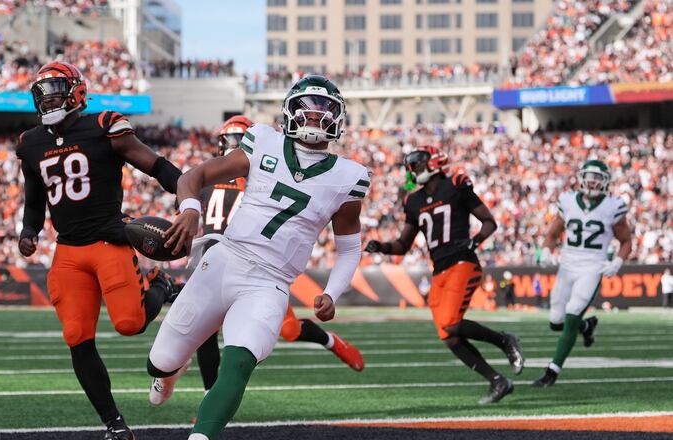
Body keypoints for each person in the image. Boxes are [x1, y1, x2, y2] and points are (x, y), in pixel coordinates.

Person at [148, 76, 369, 440]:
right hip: (224, 260)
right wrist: (189, 209)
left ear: (338, 118)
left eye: (324, 109)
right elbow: (195, 175)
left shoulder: (349, 177)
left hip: (270, 282)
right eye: (307, 108)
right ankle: (168, 373)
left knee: (239, 360)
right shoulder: (263, 140)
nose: (314, 116)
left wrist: (333, 291)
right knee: (158, 362)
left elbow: (348, 246)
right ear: (290, 111)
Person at [16, 61, 183, 440]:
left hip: (110, 239)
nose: (49, 98)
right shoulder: (31, 144)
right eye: (42, 92)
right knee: (76, 335)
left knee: (130, 324)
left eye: (56, 89)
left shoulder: (105, 125)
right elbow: (34, 198)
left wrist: (184, 191)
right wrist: (29, 231)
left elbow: (154, 164)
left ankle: (161, 283)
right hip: (69, 252)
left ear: (76, 91)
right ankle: (115, 425)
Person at [364, 146, 524, 405]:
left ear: (434, 162)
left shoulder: (456, 184)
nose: (413, 167)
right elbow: (403, 246)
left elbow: (489, 222)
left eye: (418, 162)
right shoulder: (413, 201)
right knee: (448, 336)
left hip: (463, 262)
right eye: (411, 164)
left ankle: (505, 339)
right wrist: (381, 246)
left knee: (451, 323)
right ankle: (497, 381)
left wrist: (476, 241)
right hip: (439, 271)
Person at [535, 159, 633, 387]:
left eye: (598, 177)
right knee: (556, 321)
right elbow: (551, 234)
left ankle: (552, 371)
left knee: (571, 315)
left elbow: (626, 240)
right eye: (590, 176)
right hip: (567, 266)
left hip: (592, 267)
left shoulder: (613, 205)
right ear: (580, 177)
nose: (593, 181)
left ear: (606, 182)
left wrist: (617, 261)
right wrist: (547, 251)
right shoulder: (568, 201)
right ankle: (586, 327)